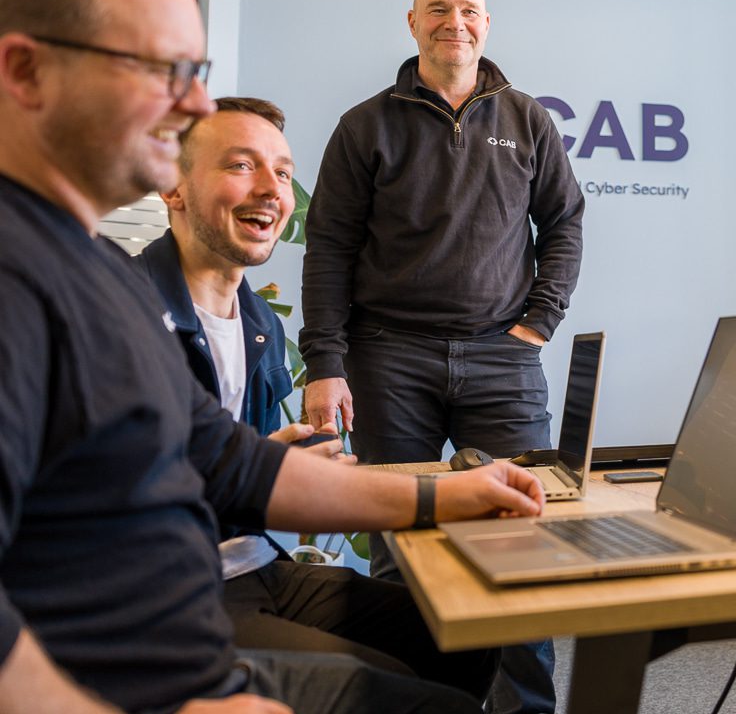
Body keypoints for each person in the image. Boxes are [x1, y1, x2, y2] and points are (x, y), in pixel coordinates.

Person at [0, 0, 544, 714]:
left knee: (462, 646)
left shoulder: (92, 273)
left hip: (198, 606)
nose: (191, 102)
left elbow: (228, 464)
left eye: (196, 71)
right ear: (26, 71)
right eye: (161, 67)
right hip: (129, 669)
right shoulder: (20, 275)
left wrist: (443, 497)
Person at [138, 96, 499, 700]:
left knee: (461, 639)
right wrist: (265, 482)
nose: (273, 190)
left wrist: (269, 473)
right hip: (168, 591)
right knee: (406, 694)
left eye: (281, 171)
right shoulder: (125, 312)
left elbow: (241, 468)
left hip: (252, 565)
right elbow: (112, 499)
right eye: (240, 165)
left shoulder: (257, 321)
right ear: (172, 188)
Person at [298, 0, 584, 710]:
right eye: (437, 9)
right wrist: (325, 363)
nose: (453, 21)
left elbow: (564, 225)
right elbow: (327, 245)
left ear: (486, 25)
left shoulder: (528, 120)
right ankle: (422, 703)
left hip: (503, 358)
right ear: (412, 23)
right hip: (389, 357)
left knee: (522, 539)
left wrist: (538, 323)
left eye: (467, 10)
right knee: (401, 550)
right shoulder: (366, 124)